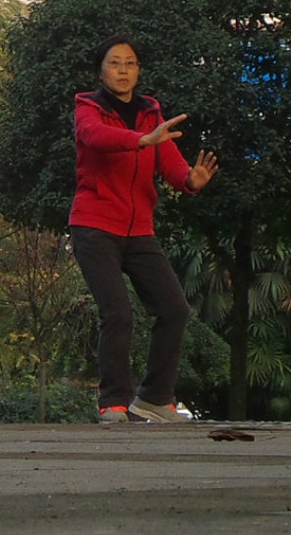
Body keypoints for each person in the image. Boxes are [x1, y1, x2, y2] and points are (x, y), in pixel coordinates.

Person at [70, 36, 218, 424]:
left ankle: (154, 398)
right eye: (115, 63)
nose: (123, 70)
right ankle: (113, 402)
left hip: (139, 230)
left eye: (130, 63)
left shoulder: (152, 113)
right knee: (117, 313)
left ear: (139, 70)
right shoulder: (88, 108)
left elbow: (168, 161)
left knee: (174, 308)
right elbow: (94, 138)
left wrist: (190, 179)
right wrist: (141, 140)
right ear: (101, 70)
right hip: (94, 224)